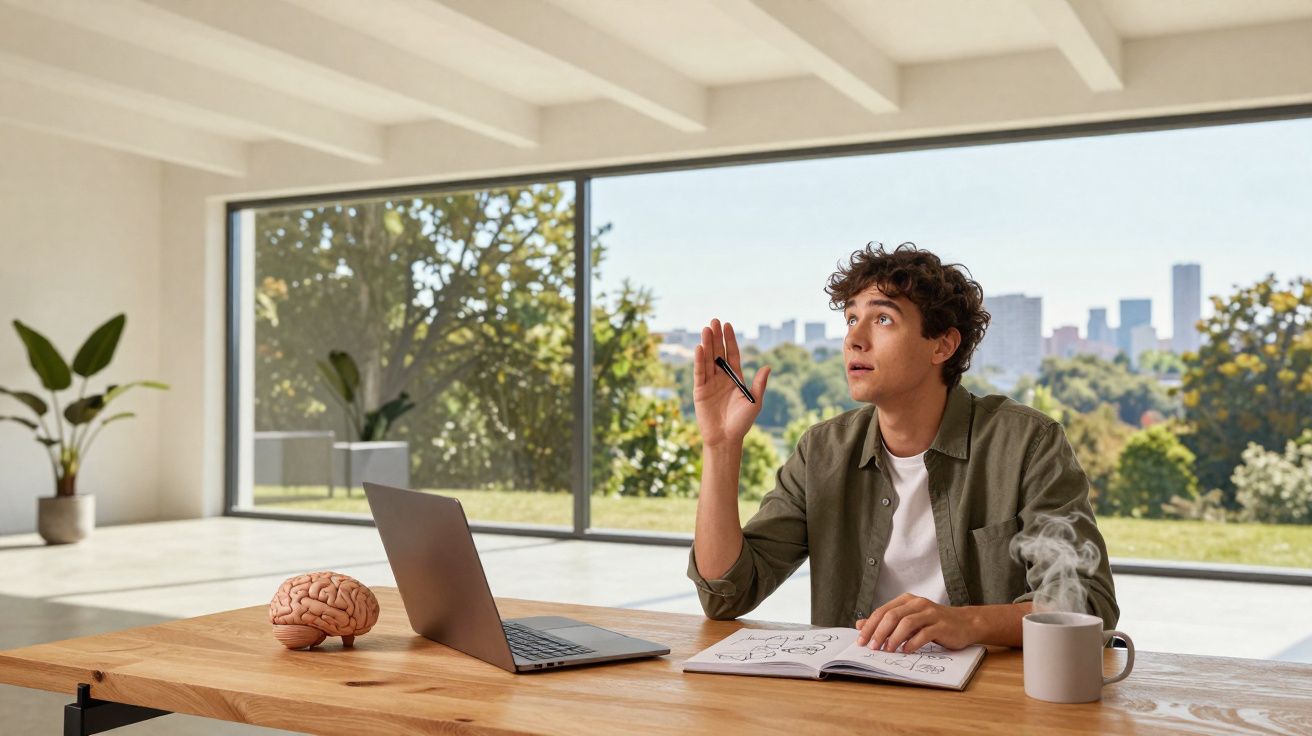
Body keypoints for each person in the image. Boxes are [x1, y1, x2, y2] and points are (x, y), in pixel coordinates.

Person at [687, 242, 1118, 654]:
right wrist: (721, 445)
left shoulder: (1026, 443)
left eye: (883, 319)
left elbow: (1087, 605)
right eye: (851, 319)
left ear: (943, 345)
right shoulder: (822, 451)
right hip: (854, 692)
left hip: (991, 702)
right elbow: (727, 594)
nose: (854, 339)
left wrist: (965, 622)